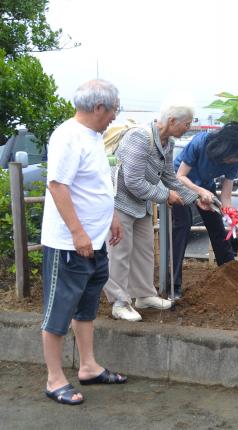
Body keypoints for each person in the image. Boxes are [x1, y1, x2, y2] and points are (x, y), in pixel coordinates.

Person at [40, 79, 128, 405]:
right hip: (68, 243)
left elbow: (97, 184)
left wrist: (112, 217)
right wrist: (78, 232)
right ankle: (54, 379)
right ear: (98, 107)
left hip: (94, 241)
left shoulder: (93, 137)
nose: (114, 118)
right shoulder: (67, 136)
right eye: (113, 111)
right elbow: (57, 186)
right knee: (58, 310)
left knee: (87, 305)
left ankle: (88, 366)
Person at [103, 102, 209, 321]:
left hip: (141, 202)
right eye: (186, 124)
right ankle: (119, 302)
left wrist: (196, 199)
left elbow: (170, 179)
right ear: (172, 121)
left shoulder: (167, 142)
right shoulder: (140, 137)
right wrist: (164, 196)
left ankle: (144, 295)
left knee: (144, 249)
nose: (188, 128)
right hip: (121, 201)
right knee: (120, 252)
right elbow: (132, 180)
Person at [171, 122, 238, 298]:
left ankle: (230, 275)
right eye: (234, 155)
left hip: (205, 188)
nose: (236, 160)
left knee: (217, 229)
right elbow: (180, 176)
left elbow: (226, 198)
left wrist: (236, 223)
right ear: (224, 148)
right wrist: (199, 192)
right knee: (183, 225)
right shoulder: (200, 143)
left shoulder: (234, 162)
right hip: (180, 184)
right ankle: (173, 285)